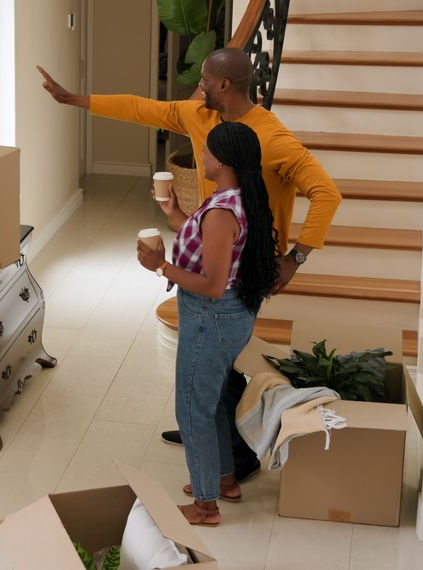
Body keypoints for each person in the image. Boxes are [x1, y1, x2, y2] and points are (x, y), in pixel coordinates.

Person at [38, 48, 342, 483]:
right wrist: (74, 100)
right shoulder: (200, 114)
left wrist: (296, 258)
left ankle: (234, 453)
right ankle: (211, 438)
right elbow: (142, 108)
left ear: (223, 85)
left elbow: (327, 194)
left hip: (242, 270)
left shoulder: (272, 139)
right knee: (210, 366)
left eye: (203, 78)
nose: (196, 86)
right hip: (213, 249)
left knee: (214, 365)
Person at [137, 121, 278, 526]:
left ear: (223, 160)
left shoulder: (220, 211)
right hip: (233, 314)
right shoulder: (239, 198)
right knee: (213, 399)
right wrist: (174, 213)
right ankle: (225, 479)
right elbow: (209, 244)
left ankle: (205, 506)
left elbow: (212, 285)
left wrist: (159, 265)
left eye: (207, 151)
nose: (202, 157)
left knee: (192, 409)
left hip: (210, 318)